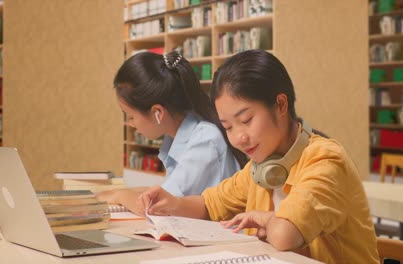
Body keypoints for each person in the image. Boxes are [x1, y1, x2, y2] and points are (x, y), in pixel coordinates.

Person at [136, 49, 379, 263]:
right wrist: (173, 203)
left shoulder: (325, 160)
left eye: (246, 120)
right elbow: (210, 204)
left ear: (281, 105)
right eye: (228, 127)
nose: (239, 137)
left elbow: (285, 235)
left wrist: (265, 218)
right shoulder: (261, 166)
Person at [97, 51, 246, 216]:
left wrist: (119, 195)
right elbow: (166, 190)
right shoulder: (179, 135)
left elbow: (159, 205)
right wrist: (112, 194)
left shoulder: (205, 140)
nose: (131, 124)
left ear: (157, 112)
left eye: (131, 117)